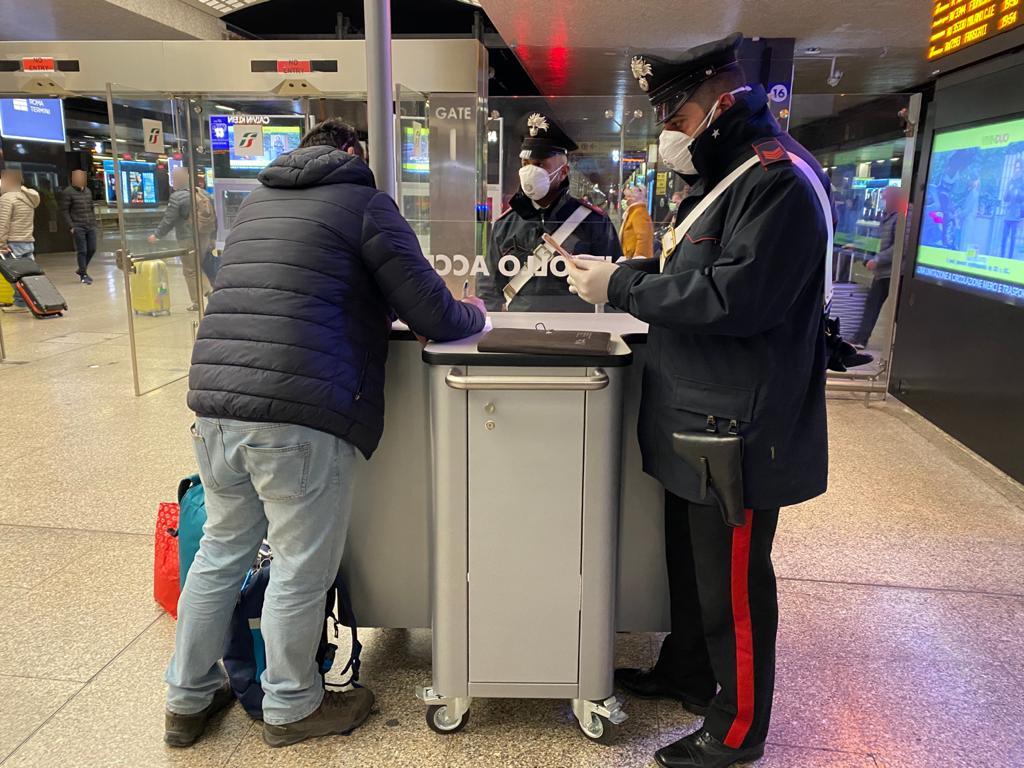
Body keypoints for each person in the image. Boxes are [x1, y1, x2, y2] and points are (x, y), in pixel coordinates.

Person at [165, 118, 485, 750]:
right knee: (299, 565)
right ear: (352, 154)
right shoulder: (364, 202)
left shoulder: (255, 203)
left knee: (221, 553)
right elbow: (436, 315)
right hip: (297, 412)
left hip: (216, 409)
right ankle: (289, 705)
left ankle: (186, 698)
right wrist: (476, 311)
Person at [566, 33, 830, 768]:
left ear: (720, 101)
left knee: (735, 589)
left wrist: (620, 286)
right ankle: (687, 671)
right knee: (690, 569)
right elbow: (702, 270)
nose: (668, 134)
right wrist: (633, 268)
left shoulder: (777, 181)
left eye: (675, 116)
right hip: (695, 416)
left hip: (737, 427)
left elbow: (732, 298)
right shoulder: (731, 177)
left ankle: (738, 729)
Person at [477, 112, 622, 312]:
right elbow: (488, 288)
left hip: (578, 331)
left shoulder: (594, 223)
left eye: (540, 164)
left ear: (563, 172)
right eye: (526, 164)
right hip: (520, 331)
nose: (529, 172)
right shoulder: (506, 224)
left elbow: (615, 286)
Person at [852, 185, 905, 348]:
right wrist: (858, 245)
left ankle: (901, 344)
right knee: (872, 303)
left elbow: (901, 245)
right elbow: (878, 241)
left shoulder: (904, 216)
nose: (882, 200)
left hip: (897, 272)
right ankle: (861, 338)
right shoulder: (887, 216)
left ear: (896, 199)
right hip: (883, 272)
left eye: (885, 197)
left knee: (897, 310)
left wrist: (878, 259)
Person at [149, 167, 208, 311]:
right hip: (204, 236)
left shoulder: (177, 197)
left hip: (187, 238)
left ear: (178, 180)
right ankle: (209, 290)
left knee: (190, 270)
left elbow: (169, 219)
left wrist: (157, 235)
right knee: (199, 267)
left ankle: (198, 301)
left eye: (173, 178)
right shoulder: (201, 192)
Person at [0, 169, 40, 309]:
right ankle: (35, 300)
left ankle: (21, 303)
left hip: (12, 242)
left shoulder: (7, 198)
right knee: (29, 274)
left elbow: (3, 223)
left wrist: (1, 244)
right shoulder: (29, 197)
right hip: (28, 240)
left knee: (13, 274)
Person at [59, 169, 97, 285]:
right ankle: (83, 274)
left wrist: (93, 220)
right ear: (73, 178)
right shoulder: (68, 192)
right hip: (78, 225)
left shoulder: (88, 191)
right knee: (82, 250)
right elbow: (64, 210)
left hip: (90, 224)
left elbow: (91, 207)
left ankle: (81, 269)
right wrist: (71, 226)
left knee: (92, 248)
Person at [620, 185, 655, 258]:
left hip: (634, 259)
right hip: (630, 257)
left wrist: (638, 259)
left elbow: (644, 239)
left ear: (633, 198)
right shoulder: (633, 212)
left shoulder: (639, 212)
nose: (625, 200)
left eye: (627, 197)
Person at [1001, 159, 1023, 260]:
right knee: (1004, 237)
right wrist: (1008, 191)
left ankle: (1009, 258)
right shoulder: (1010, 180)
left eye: (1019, 167)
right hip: (1007, 213)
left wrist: (1018, 192)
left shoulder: (1022, 181)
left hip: (1016, 214)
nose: (1017, 169)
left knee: (1013, 239)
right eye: (1016, 167)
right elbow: (1005, 198)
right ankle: (1001, 257)